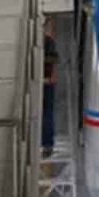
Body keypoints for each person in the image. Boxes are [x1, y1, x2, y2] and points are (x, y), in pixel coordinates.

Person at [43, 27, 58, 157]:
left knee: (47, 114)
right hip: (45, 81)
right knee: (46, 113)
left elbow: (54, 60)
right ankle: (46, 144)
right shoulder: (48, 41)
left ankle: (47, 144)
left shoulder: (48, 42)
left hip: (47, 82)